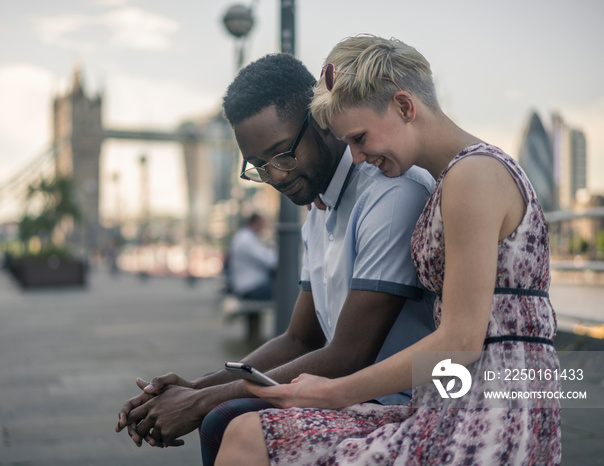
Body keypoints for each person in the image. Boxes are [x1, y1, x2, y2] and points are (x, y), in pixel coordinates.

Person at [215, 35, 561, 465]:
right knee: (246, 433)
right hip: (452, 398)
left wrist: (331, 391)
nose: (357, 158)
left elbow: (461, 342)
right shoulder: (455, 177)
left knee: (251, 437)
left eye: (359, 138)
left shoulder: (473, 175)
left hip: (494, 413)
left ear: (404, 106)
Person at [115, 52, 436, 465]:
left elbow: (347, 354)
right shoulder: (319, 209)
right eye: (259, 167)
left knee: (221, 418)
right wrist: (196, 388)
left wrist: (199, 403)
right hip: (351, 391)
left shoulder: (389, 194)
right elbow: (300, 338)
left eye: (283, 155)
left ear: (322, 120)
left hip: (400, 400)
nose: (277, 177)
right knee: (220, 414)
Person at [226, 213, 277, 300]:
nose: (264, 229)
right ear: (255, 223)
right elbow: (270, 261)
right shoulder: (246, 239)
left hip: (249, 286)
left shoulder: (245, 236)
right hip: (250, 288)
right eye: (263, 225)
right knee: (288, 290)